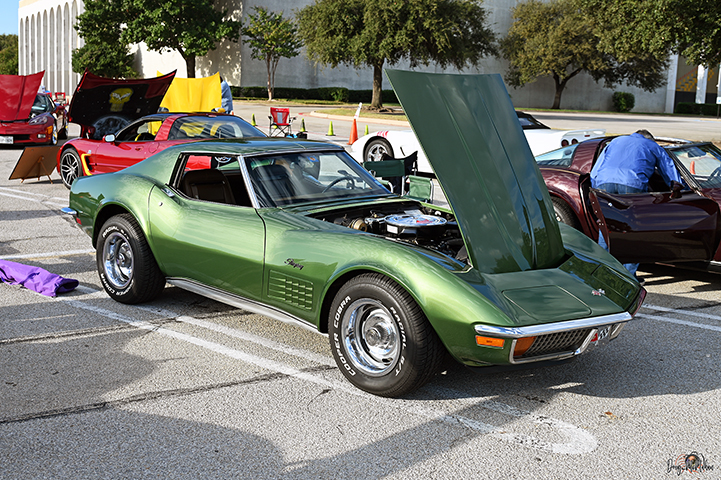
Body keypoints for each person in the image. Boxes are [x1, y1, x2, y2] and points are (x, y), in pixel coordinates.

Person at [590, 129, 684, 284]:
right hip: (631, 184)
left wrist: (596, 190)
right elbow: (669, 170)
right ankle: (628, 277)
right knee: (633, 229)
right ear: (650, 138)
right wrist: (679, 187)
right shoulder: (652, 146)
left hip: (603, 183)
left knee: (606, 226)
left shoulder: (615, 141)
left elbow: (595, 171)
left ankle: (601, 272)